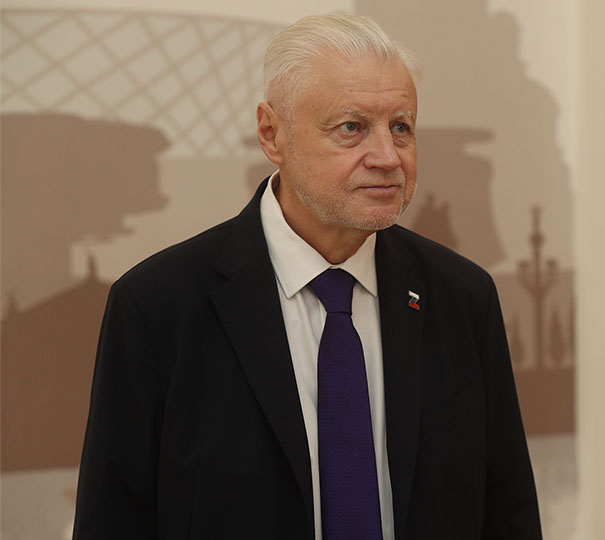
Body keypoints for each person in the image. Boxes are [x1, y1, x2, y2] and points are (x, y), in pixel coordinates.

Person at [73, 14, 541, 540]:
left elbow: (507, 510)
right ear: (272, 134)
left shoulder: (462, 296)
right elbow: (113, 519)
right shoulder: (157, 307)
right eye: (351, 128)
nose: (388, 157)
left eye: (401, 127)